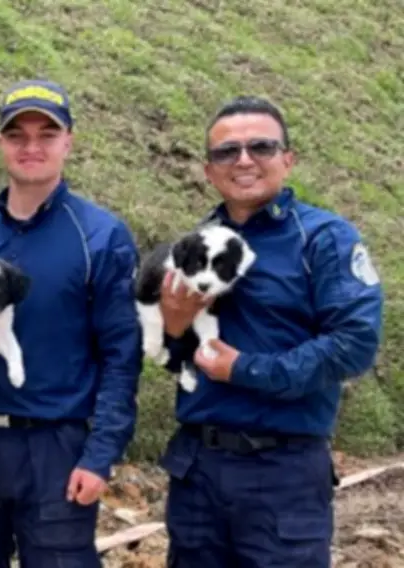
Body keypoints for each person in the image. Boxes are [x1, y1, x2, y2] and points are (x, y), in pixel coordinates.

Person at [0, 79, 142, 567]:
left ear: (69, 142)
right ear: (0, 143)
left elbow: (122, 356)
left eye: (46, 134)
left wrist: (99, 456)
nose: (31, 147)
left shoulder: (100, 238)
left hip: (55, 447)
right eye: (17, 135)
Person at [158, 95, 384, 568]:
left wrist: (245, 370)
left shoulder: (324, 240)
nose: (243, 160)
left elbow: (354, 344)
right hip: (197, 469)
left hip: (283, 472)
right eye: (226, 152)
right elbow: (173, 354)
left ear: (288, 158)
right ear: (208, 170)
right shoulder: (195, 243)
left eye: (260, 146)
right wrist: (173, 328)